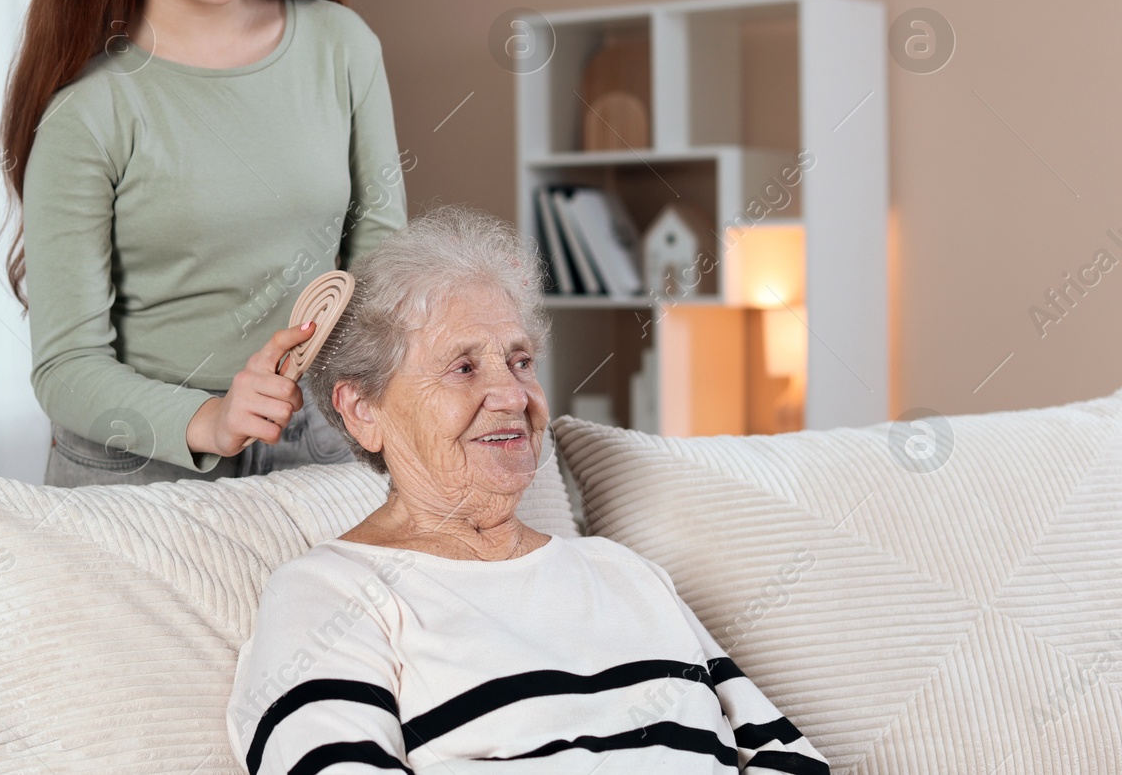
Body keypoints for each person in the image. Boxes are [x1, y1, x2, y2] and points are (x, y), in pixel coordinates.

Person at [228, 207, 831, 774]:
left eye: (520, 362)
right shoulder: (328, 596)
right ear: (362, 410)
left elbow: (789, 758)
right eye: (464, 368)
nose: (514, 397)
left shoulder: (626, 575)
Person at [0, 0, 407, 487]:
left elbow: (380, 259)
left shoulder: (341, 47)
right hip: (141, 466)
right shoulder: (90, 116)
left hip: (315, 444)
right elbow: (65, 367)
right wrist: (212, 418)